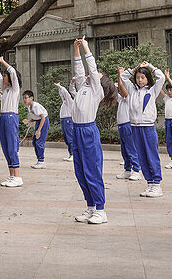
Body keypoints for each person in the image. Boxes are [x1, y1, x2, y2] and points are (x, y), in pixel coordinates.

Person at [71, 38, 108, 224]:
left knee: (92, 170)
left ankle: (101, 210)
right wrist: (76, 49)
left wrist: (86, 47)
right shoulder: (81, 88)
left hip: (88, 132)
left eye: (98, 76)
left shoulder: (96, 91)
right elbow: (79, 71)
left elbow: (92, 70)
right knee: (80, 171)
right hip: (76, 131)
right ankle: (91, 207)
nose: (94, 75)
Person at [121, 59, 165, 198]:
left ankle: (157, 184)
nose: (140, 80)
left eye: (143, 77)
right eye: (138, 78)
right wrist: (135, 68)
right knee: (141, 156)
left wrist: (150, 66)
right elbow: (123, 77)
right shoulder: (132, 89)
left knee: (151, 155)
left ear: (147, 78)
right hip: (135, 127)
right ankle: (150, 183)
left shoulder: (152, 90)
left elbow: (162, 77)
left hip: (148, 128)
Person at [0, 56, 23, 187]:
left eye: (6, 76)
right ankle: (11, 175)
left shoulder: (15, 88)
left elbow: (12, 72)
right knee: (5, 147)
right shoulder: (5, 89)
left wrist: (2, 61)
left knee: (12, 146)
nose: (4, 78)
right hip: (3, 118)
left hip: (11, 118)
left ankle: (17, 176)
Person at [114, 68, 142, 181]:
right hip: (121, 126)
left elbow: (121, 86)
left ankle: (136, 170)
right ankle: (127, 170)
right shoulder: (121, 99)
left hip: (127, 125)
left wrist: (120, 73)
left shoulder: (129, 96)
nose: (121, 90)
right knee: (124, 149)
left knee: (131, 148)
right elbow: (116, 90)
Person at [23, 90, 48, 169]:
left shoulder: (35, 106)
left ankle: (41, 161)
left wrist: (39, 130)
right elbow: (36, 118)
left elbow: (43, 117)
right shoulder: (29, 108)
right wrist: (28, 121)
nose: (24, 99)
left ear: (31, 98)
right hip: (38, 121)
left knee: (39, 141)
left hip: (43, 122)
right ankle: (39, 160)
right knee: (34, 142)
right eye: (23, 98)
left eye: (26, 98)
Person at [55, 79, 76, 163]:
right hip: (64, 120)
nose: (62, 95)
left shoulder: (70, 101)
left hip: (68, 120)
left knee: (70, 137)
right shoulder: (64, 102)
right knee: (66, 138)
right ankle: (70, 154)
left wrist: (60, 87)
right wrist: (59, 89)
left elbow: (66, 94)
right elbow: (62, 94)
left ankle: (73, 154)